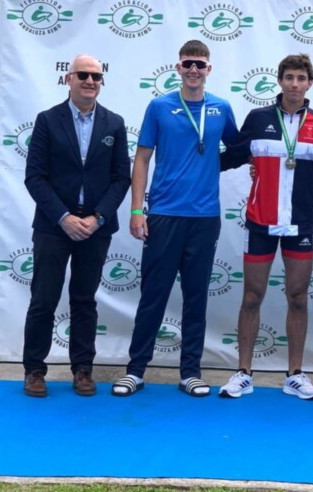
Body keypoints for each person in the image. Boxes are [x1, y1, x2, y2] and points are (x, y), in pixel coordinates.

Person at [112, 40, 239, 398]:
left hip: (204, 217)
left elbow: (238, 148)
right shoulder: (159, 106)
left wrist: (214, 164)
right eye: (188, 64)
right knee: (153, 294)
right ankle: (135, 370)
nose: (194, 70)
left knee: (196, 296)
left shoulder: (221, 108)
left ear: (209, 69)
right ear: (178, 67)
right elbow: (141, 159)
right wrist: (137, 209)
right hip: (164, 214)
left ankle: (190, 372)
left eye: (200, 64)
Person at [218, 53, 313, 400]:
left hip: (300, 224)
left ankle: (295, 375)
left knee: (298, 298)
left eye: (301, 78)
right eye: (289, 77)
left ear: (310, 83)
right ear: (280, 81)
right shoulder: (258, 118)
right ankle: (243, 372)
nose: (294, 84)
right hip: (260, 221)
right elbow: (232, 157)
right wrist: (192, 165)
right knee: (252, 297)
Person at [22, 54, 130, 397]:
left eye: (96, 76)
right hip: (54, 227)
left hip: (95, 228)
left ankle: (83, 370)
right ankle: (34, 371)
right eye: (83, 74)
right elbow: (34, 177)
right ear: (68, 79)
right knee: (44, 298)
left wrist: (96, 218)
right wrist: (63, 217)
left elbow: (121, 179)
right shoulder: (47, 121)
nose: (90, 81)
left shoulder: (114, 123)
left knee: (85, 300)